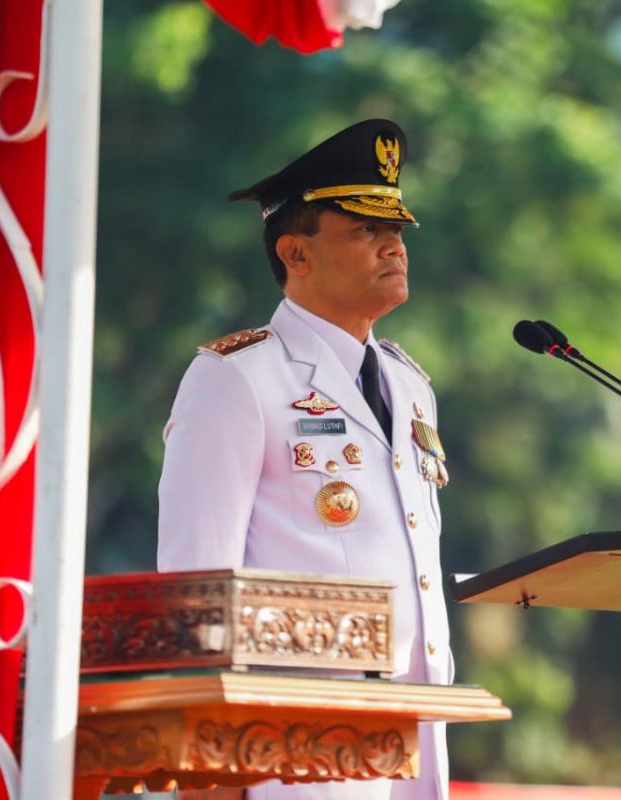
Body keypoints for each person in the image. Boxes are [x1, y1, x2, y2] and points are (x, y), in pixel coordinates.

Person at [157, 119, 452, 800]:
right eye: (363, 230)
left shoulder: (410, 385)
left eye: (398, 230)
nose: (394, 246)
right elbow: (196, 588)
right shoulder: (237, 377)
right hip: (292, 757)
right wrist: (212, 775)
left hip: (413, 738)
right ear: (296, 253)